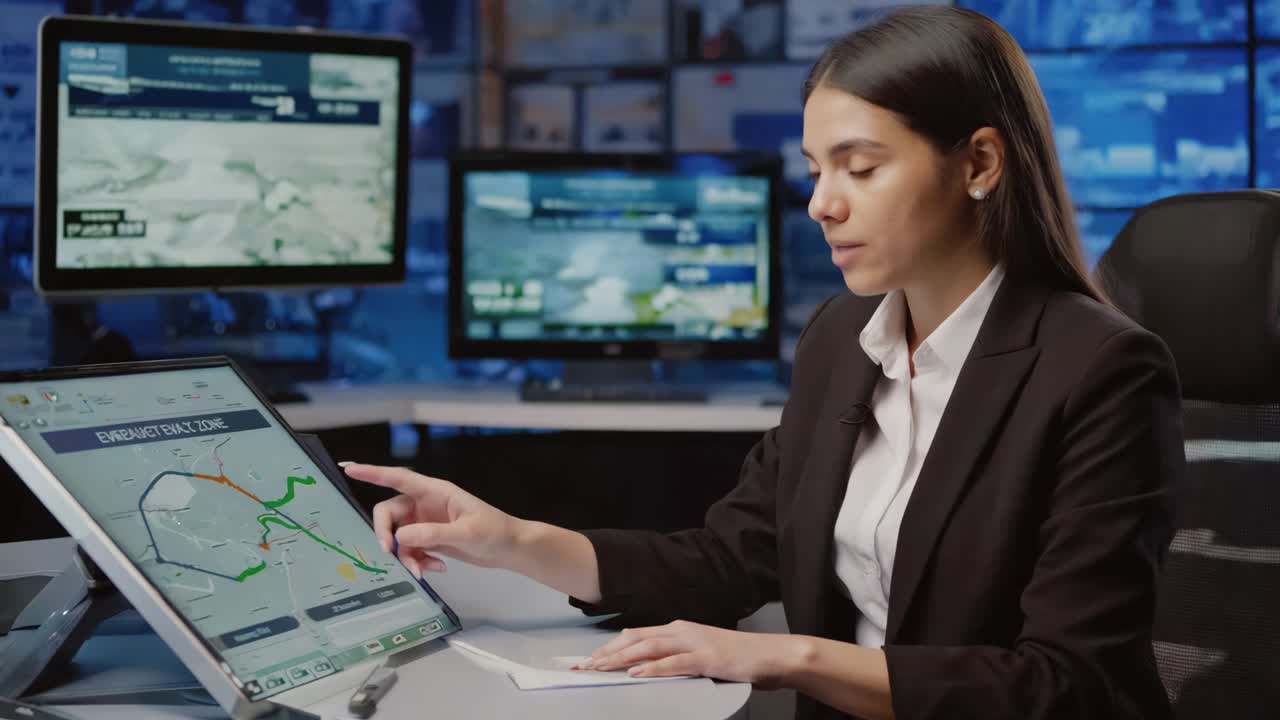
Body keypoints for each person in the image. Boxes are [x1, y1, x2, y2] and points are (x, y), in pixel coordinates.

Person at [340, 6, 1184, 719]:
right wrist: (512, 539)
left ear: (980, 164)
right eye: (816, 171)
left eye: (861, 167)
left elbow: (1071, 685)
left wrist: (785, 658)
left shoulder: (1102, 372)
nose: (822, 202)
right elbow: (730, 560)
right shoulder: (841, 339)